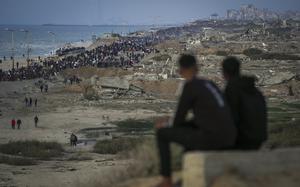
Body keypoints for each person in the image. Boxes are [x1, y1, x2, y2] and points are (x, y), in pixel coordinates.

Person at [155, 54, 236, 187]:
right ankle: (190, 173)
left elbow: (178, 120)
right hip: (230, 137)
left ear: (180, 70)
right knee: (189, 132)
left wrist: (166, 124)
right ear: (197, 68)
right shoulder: (209, 84)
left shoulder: (190, 86)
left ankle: (166, 180)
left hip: (212, 138)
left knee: (162, 134)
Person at [222, 57, 267, 150]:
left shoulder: (232, 88)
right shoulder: (252, 88)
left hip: (243, 140)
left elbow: (230, 117)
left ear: (224, 72)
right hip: (259, 138)